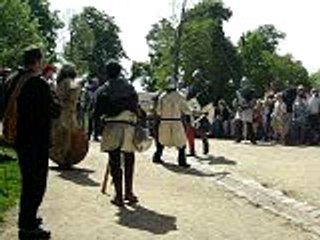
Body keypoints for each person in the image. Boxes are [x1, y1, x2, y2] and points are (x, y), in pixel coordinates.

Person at [4, 47, 61, 239]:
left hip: (19, 138)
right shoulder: (38, 83)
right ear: (37, 61)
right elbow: (55, 111)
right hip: (36, 140)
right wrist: (53, 92)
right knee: (35, 183)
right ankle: (27, 226)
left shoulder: (12, 79)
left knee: (28, 179)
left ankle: (28, 217)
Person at [95, 60, 139, 207]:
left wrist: (98, 129)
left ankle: (119, 196)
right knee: (129, 159)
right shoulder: (130, 88)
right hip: (128, 126)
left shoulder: (103, 90)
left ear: (107, 73)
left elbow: (97, 112)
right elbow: (135, 107)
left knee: (115, 161)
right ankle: (129, 193)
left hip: (112, 126)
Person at [152, 76, 191, 168]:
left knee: (162, 140)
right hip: (176, 122)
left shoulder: (162, 96)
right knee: (181, 142)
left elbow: (158, 112)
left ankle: (157, 157)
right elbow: (186, 110)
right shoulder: (180, 96)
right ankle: (182, 161)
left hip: (164, 122)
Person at [50, 64, 83, 168]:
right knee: (67, 137)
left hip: (61, 111)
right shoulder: (69, 82)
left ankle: (61, 159)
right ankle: (65, 159)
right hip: (68, 112)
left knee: (59, 137)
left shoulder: (60, 83)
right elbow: (74, 89)